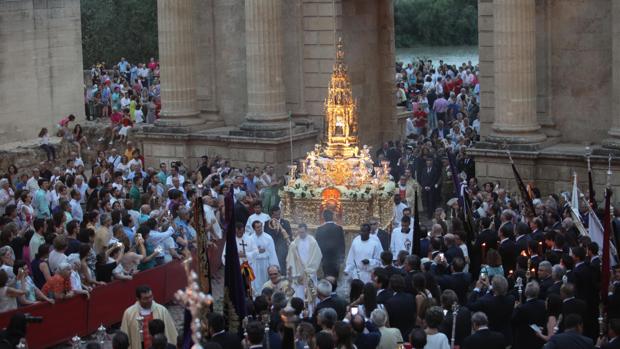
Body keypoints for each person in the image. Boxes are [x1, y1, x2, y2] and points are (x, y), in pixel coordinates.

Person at [120, 285, 177, 349]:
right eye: (145, 298)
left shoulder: (162, 310)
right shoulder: (129, 313)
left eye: (151, 297)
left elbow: (170, 333)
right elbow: (124, 337)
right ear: (138, 299)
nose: (149, 300)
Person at [286, 223, 322, 300]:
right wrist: (296, 272)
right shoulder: (294, 243)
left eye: (302, 232)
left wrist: (308, 271)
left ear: (306, 231)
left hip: (309, 271)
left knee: (310, 294)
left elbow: (317, 257)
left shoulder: (313, 242)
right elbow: (290, 259)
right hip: (298, 272)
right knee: (299, 294)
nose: (300, 234)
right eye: (299, 232)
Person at [511, 281, 546, 349]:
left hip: (524, 340)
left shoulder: (522, 308)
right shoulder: (544, 304)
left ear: (526, 292)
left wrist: (515, 309)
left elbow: (513, 320)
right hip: (540, 338)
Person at [247, 220, 279, 295]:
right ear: (254, 229)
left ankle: (265, 298)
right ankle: (255, 300)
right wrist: (257, 252)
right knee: (254, 283)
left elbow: (272, 253)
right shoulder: (250, 239)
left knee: (265, 283)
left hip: (265, 264)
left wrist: (274, 266)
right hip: (255, 264)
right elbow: (248, 253)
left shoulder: (268, 238)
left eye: (261, 226)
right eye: (257, 227)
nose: (260, 228)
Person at [385, 274, 416, 339]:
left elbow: (389, 321)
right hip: (410, 333)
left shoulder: (390, 302)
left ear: (391, 286)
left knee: (400, 348)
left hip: (398, 335)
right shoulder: (411, 297)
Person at [315, 210, 345, 278]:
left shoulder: (320, 229)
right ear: (332, 217)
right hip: (336, 257)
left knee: (327, 275)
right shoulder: (339, 228)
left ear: (324, 217)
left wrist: (319, 257)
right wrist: (342, 257)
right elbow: (342, 243)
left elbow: (317, 245)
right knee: (335, 276)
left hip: (325, 257)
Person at [264, 207, 292, 273]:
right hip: (271, 249)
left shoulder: (286, 223)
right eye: (276, 215)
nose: (278, 216)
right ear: (271, 215)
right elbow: (266, 237)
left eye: (279, 214)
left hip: (283, 250)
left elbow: (289, 235)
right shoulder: (267, 224)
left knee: (283, 267)